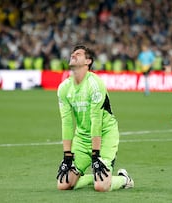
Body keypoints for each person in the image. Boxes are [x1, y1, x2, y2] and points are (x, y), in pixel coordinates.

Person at [56, 45, 134, 192]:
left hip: (105, 136)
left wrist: (95, 154)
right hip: (82, 138)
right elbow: (66, 122)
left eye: (78, 54)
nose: (73, 55)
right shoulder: (64, 88)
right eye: (72, 53)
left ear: (88, 61)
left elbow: (96, 121)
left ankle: (124, 179)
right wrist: (67, 156)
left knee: (101, 187)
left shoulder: (95, 84)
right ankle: (97, 176)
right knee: (63, 185)